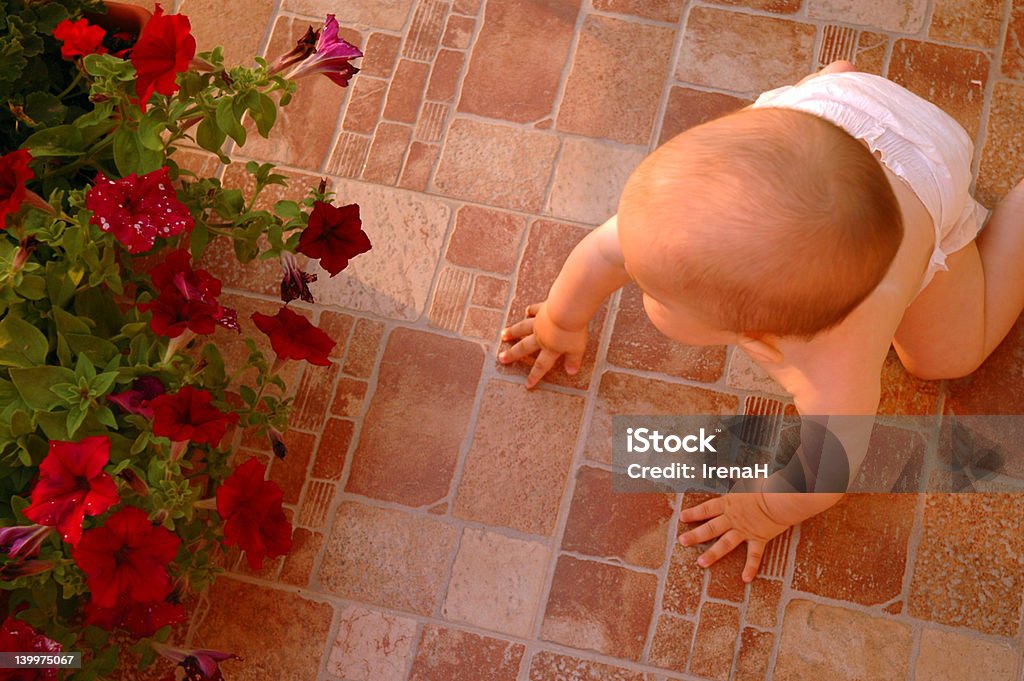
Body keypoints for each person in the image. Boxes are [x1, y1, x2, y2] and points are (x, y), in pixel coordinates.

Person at [498, 60, 1024, 582]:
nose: (630, 271)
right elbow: (601, 255)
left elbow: (829, 468)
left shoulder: (835, 363)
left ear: (754, 336)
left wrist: (769, 508)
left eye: (653, 291)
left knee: (944, 357)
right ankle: (832, 87)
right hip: (819, 123)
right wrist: (559, 322)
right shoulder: (669, 224)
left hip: (922, 169)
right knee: (770, 198)